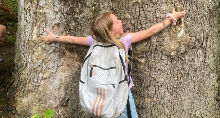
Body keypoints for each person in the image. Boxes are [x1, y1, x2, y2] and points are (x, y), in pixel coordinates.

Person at [42, 8, 185, 117]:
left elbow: (73, 39)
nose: (121, 21)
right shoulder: (125, 40)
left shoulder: (94, 41)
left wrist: (55, 38)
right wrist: (171, 18)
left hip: (100, 92)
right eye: (117, 22)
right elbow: (150, 31)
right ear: (110, 32)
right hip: (121, 91)